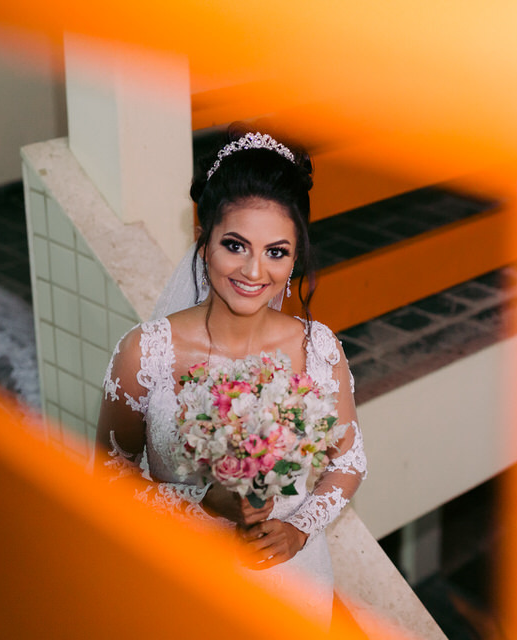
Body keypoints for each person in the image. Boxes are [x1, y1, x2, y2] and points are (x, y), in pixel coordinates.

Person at [95, 128, 367, 625]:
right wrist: (202, 502)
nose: (254, 271)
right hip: (182, 583)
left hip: (292, 584)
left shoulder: (317, 349)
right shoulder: (146, 353)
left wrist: (299, 529)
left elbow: (347, 461)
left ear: (295, 257)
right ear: (204, 243)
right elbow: (109, 477)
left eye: (276, 252)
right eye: (236, 245)